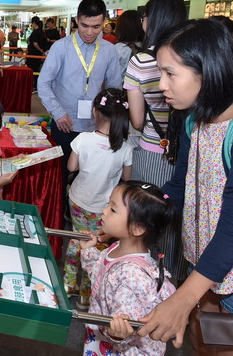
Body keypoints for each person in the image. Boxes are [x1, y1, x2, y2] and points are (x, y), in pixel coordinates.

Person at [137, 19, 233, 354]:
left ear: (208, 71)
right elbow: (180, 185)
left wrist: (184, 296)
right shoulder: (195, 120)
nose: (161, 85)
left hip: (225, 265)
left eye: (170, 73)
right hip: (203, 260)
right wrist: (137, 212)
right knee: (202, 338)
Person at [37, 0, 123, 224]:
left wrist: (109, 119)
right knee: (61, 174)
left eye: (96, 26)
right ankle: (58, 218)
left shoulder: (109, 50)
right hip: (65, 124)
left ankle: (79, 213)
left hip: (96, 128)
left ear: (104, 23)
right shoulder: (61, 47)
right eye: (85, 25)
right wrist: (58, 113)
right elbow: (43, 83)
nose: (90, 32)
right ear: (76, 20)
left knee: (91, 176)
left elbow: (115, 88)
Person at [124, 0, 188, 281]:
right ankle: (172, 281)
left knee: (146, 220)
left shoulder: (140, 61)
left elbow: (137, 120)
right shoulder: (190, 58)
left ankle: (144, 282)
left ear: (150, 19)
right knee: (175, 224)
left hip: (151, 151)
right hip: (185, 153)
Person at [80, 181, 177, 356]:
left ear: (137, 228)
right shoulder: (117, 247)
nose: (104, 210)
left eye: (113, 209)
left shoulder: (133, 276)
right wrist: (89, 251)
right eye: (108, 204)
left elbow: (130, 327)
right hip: (103, 336)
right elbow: (100, 277)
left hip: (121, 349)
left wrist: (119, 333)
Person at [63, 88, 134, 309]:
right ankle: (86, 293)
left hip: (78, 200)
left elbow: (71, 167)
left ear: (95, 111)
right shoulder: (125, 148)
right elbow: (126, 179)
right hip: (103, 207)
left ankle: (68, 284)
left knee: (76, 238)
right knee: (96, 245)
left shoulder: (83, 139)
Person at [26, 17, 46, 85]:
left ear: (34, 23)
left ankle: (32, 83)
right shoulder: (42, 32)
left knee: (32, 69)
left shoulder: (35, 32)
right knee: (37, 69)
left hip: (33, 54)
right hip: (38, 54)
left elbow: (35, 43)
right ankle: (35, 83)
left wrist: (40, 50)